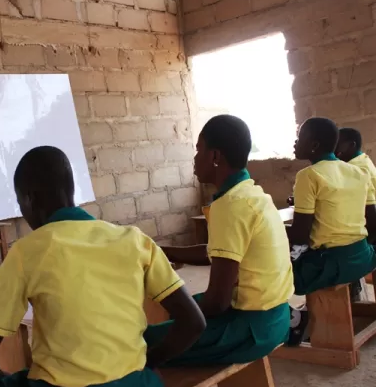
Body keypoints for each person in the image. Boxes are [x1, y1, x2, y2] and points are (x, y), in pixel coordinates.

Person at [0, 146, 207, 387]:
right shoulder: (134, 240)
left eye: (21, 204)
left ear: (29, 199)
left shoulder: (27, 252)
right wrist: (148, 362)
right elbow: (194, 322)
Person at [147, 115, 294, 365]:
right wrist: (163, 251)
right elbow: (217, 253)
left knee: (141, 341)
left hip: (249, 329)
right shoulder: (250, 193)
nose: (194, 158)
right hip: (276, 318)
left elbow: (217, 303)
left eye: (198, 150)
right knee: (178, 307)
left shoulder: (231, 205)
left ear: (215, 157)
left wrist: (182, 323)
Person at [286, 118, 376, 342]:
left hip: (329, 265)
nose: (295, 143)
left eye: (300, 138)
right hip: (363, 258)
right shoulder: (357, 172)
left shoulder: (308, 175)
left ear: (314, 145)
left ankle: (292, 317)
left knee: (265, 268)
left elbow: (300, 235)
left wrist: (271, 233)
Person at [334, 127, 376, 297]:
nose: (334, 147)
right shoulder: (363, 161)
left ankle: (349, 293)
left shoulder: (355, 169)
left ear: (351, 145)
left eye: (338, 143)